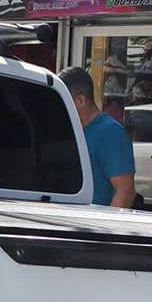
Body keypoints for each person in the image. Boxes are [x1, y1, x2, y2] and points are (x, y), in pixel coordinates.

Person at [58, 66, 136, 208]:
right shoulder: (73, 130)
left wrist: (106, 228)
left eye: (62, 101)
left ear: (80, 101)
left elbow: (125, 191)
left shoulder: (110, 132)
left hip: (92, 225)